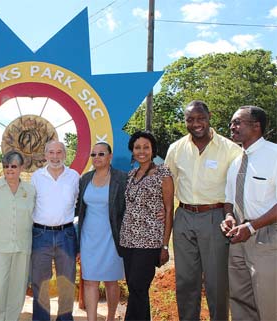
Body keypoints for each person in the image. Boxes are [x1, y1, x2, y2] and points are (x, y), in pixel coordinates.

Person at [165, 100, 241, 321]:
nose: (196, 123)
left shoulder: (230, 150)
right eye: (190, 119)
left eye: (200, 118)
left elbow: (236, 188)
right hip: (185, 216)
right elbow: (168, 184)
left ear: (210, 117)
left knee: (217, 281)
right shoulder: (176, 149)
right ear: (185, 121)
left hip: (215, 217)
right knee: (186, 281)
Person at [220, 106, 277, 321]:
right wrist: (228, 218)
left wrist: (252, 227)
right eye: (231, 123)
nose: (232, 127)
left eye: (237, 122)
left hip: (267, 238)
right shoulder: (236, 162)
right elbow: (228, 200)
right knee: (240, 300)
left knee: (269, 301)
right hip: (238, 238)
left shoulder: (274, 155)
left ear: (256, 126)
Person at [119, 131, 174, 321]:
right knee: (133, 288)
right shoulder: (131, 174)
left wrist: (165, 246)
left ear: (152, 150)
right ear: (132, 151)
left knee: (139, 286)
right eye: (137, 147)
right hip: (127, 239)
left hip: (149, 240)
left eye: (146, 147)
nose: (141, 151)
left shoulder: (163, 172)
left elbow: (168, 210)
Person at [76, 142, 127, 321]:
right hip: (89, 238)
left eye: (101, 154)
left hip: (112, 238)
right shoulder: (85, 179)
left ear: (110, 156)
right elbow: (78, 209)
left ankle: (111, 318)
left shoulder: (122, 178)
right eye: (94, 155)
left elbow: (130, 206)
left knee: (111, 282)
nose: (97, 158)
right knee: (90, 281)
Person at [0, 151, 36, 321]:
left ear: (21, 168)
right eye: (6, 166)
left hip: (22, 247)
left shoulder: (31, 190)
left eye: (13, 166)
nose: (9, 170)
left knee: (17, 292)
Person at [30, 140, 79, 321]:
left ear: (65, 155)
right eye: (51, 152)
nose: (55, 156)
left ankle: (65, 318)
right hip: (40, 234)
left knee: (66, 281)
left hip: (66, 234)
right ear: (45, 155)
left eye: (59, 152)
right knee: (39, 281)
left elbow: (79, 203)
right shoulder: (36, 177)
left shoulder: (74, 176)